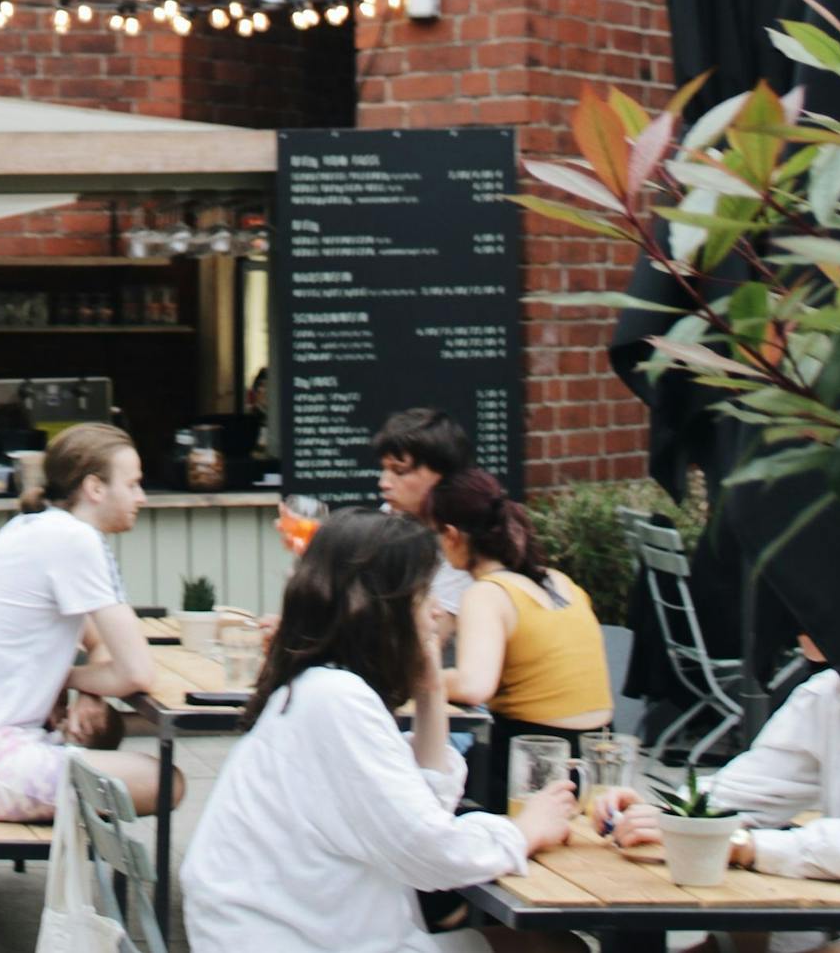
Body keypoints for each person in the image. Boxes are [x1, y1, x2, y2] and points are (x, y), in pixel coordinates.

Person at [181, 507, 575, 953]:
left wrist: (429, 690)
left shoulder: (317, 688)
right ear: (385, 606)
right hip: (304, 941)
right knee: (553, 947)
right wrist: (524, 832)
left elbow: (419, 807)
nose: (434, 612)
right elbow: (427, 851)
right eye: (424, 594)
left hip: (292, 933)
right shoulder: (337, 699)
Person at [0, 422, 180, 822]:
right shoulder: (75, 540)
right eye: (133, 484)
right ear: (95, 488)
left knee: (105, 728)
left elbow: (99, 643)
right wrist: (70, 679)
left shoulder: (36, 527)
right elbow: (138, 673)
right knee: (166, 782)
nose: (141, 497)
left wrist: (82, 688)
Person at [599, 636, 840, 953]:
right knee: (725, 943)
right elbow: (754, 786)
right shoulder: (829, 692)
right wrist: (674, 815)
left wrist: (744, 846)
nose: (794, 622)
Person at [426, 468, 613, 809]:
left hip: (536, 758)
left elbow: (473, 686)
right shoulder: (559, 582)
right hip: (599, 756)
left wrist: (416, 678)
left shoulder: (487, 593)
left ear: (452, 535)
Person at [377, 407, 478, 623]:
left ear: (441, 476)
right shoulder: (388, 516)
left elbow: (432, 634)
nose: (383, 483)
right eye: (384, 469)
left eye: (400, 471)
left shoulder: (461, 540)